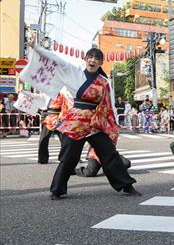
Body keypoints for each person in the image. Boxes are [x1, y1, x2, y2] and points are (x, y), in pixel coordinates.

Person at [26, 38, 140, 200]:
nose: (93, 60)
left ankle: (127, 186)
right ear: (85, 59)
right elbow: (56, 60)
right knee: (69, 158)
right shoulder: (74, 73)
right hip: (76, 123)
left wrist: (112, 124)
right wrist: (35, 47)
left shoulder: (104, 83)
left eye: (97, 58)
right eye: (90, 57)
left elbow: (109, 105)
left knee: (109, 154)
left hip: (95, 123)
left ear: (101, 62)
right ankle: (56, 190)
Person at [37, 92, 71, 164]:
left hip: (59, 118)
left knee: (65, 140)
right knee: (43, 139)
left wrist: (61, 118)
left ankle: (65, 157)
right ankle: (42, 158)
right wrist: (24, 92)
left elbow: (67, 106)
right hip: (49, 117)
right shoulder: (47, 94)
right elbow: (36, 96)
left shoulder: (63, 95)